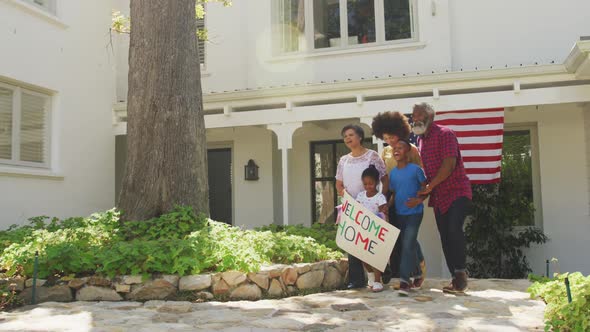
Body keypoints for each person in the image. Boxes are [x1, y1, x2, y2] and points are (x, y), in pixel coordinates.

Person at [410, 102, 473, 294]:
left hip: (457, 191)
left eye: (419, 115)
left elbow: (448, 165)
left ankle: (461, 274)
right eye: (413, 116)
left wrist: (430, 186)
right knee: (445, 237)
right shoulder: (420, 141)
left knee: (454, 230)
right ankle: (456, 279)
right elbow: (427, 173)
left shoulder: (445, 134)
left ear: (430, 117)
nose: (415, 119)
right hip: (439, 197)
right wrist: (421, 195)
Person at [371, 111, 427, 286]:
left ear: (400, 132)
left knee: (407, 237)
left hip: (408, 197)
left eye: (392, 136)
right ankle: (405, 272)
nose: (390, 140)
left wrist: (419, 199)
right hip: (390, 197)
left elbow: (420, 175)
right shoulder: (385, 152)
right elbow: (383, 177)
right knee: (395, 237)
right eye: (386, 137)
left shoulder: (412, 150)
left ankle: (418, 268)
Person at [336, 124, 387, 289]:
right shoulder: (344, 160)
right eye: (345, 136)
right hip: (352, 206)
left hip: (371, 206)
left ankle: (378, 276)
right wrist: (347, 197)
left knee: (371, 244)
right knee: (353, 243)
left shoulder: (372, 156)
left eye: (351, 135)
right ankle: (356, 280)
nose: (348, 139)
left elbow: (385, 180)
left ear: (359, 137)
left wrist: (380, 200)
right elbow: (339, 184)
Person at [388, 140, 427, 295]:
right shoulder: (393, 173)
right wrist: (387, 205)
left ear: (408, 152)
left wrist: (419, 200)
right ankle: (418, 274)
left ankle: (405, 281)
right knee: (411, 242)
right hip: (399, 213)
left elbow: (426, 188)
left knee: (407, 244)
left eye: (400, 148)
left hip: (415, 213)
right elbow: (394, 193)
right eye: (394, 148)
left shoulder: (416, 170)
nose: (396, 150)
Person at [355, 165, 388, 292]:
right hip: (363, 230)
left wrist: (384, 210)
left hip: (375, 231)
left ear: (376, 183)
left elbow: (383, 213)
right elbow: (357, 210)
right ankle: (370, 275)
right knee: (363, 256)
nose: (368, 186)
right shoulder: (360, 196)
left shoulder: (380, 197)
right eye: (365, 184)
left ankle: (378, 281)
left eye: (371, 184)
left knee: (375, 257)